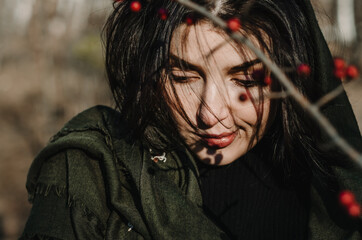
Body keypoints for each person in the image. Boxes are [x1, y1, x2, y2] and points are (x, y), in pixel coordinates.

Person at [20, 0, 362, 239]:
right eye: (183, 77)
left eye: (247, 81)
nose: (209, 113)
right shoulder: (93, 171)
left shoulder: (329, 195)